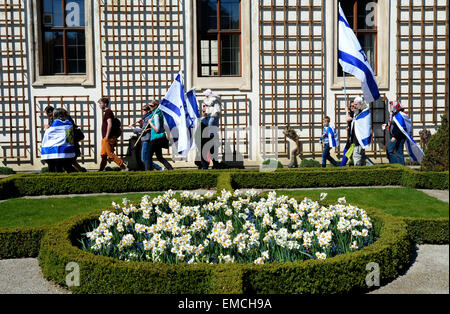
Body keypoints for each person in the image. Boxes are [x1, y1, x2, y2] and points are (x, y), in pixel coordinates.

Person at [41, 108, 76, 173]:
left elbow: (49, 134)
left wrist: (46, 129)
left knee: (53, 169)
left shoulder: (56, 123)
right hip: (67, 150)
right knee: (68, 168)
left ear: (55, 115)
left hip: (55, 151)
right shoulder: (69, 123)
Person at [129, 103, 163, 171]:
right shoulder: (145, 118)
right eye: (142, 110)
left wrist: (133, 128)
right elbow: (144, 128)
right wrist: (139, 123)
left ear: (147, 111)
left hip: (146, 139)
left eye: (144, 110)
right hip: (145, 139)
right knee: (145, 158)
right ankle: (149, 170)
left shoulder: (148, 118)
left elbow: (142, 130)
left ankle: (159, 168)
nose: (143, 111)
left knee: (144, 158)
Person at [98, 97, 126, 171]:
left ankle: (122, 166)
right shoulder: (106, 112)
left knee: (110, 154)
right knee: (103, 154)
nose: (99, 105)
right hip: (105, 137)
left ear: (105, 104)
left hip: (108, 137)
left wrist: (107, 136)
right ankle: (101, 169)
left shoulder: (108, 112)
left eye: (100, 103)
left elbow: (109, 124)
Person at [147, 100, 173, 171]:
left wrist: (150, 123)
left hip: (156, 138)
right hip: (157, 138)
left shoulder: (156, 115)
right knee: (159, 157)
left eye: (152, 106)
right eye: (149, 105)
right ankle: (170, 168)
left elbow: (157, 129)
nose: (150, 107)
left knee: (148, 157)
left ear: (156, 106)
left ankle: (148, 172)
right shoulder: (156, 114)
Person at [348, 96, 374, 166]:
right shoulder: (358, 113)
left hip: (359, 140)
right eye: (354, 105)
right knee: (362, 156)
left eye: (356, 105)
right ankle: (372, 166)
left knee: (356, 157)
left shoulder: (364, 112)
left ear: (360, 104)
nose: (354, 106)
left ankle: (357, 172)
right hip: (356, 139)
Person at [200, 89, 222, 170]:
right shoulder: (209, 102)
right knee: (211, 151)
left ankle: (208, 166)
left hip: (208, 138)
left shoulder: (213, 100)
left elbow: (212, 108)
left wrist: (206, 108)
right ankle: (212, 165)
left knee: (210, 151)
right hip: (208, 139)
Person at [340, 102, 355, 166]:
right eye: (351, 106)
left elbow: (347, 119)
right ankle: (350, 164)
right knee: (349, 152)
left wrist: (346, 112)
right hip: (350, 136)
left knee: (346, 152)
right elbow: (350, 122)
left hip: (354, 138)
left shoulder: (355, 114)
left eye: (353, 106)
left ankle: (341, 166)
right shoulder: (351, 113)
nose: (352, 107)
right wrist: (348, 127)